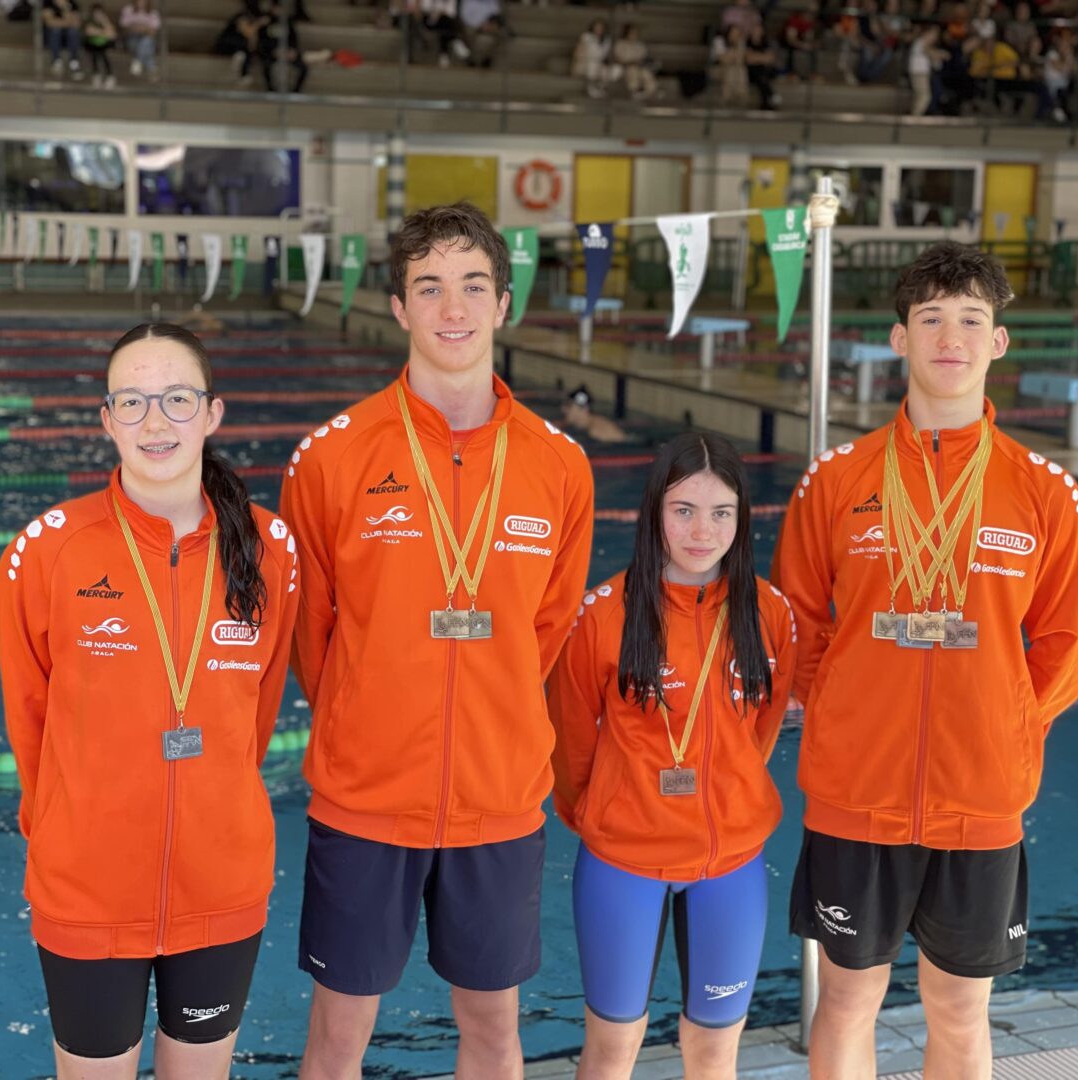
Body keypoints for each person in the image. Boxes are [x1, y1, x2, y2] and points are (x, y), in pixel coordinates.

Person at [277, 202, 595, 1080]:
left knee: (494, 1032)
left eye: (471, 286)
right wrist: (372, 712)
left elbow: (549, 629)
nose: (452, 308)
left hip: (498, 798)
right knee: (338, 1036)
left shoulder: (558, 463)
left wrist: (487, 716)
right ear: (399, 308)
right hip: (366, 797)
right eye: (429, 287)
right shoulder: (330, 458)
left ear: (502, 305)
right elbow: (314, 636)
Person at [773, 242, 1078, 1080]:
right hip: (856, 794)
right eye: (931, 319)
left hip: (980, 796)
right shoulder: (836, 482)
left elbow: (1064, 644)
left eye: (971, 320)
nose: (950, 336)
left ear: (998, 343)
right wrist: (843, 707)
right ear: (897, 339)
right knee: (846, 1003)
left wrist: (1006, 724)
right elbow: (796, 622)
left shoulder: (1043, 490)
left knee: (959, 1009)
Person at [0, 323, 301, 1079]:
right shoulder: (48, 551)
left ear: (213, 413)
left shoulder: (269, 551)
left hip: (222, 883)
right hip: (87, 889)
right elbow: (28, 720)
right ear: (105, 420)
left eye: (175, 399)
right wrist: (68, 830)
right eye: (131, 402)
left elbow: (253, 715)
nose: (154, 422)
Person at [548, 432, 798, 1079]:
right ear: (654, 510)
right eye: (684, 509)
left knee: (715, 1052)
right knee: (610, 1049)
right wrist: (614, 814)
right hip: (623, 864)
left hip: (731, 868)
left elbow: (760, 734)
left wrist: (730, 794)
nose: (702, 530)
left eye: (721, 512)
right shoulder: (603, 615)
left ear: (742, 519)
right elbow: (571, 746)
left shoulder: (770, 614)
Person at [561, 385, 628, 444]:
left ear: (583, 409)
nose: (563, 409)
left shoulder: (596, 432)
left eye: (568, 406)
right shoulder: (584, 426)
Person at [613, 23, 658, 100]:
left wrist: (641, 63)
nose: (634, 35)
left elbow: (644, 58)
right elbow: (618, 59)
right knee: (632, 71)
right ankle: (634, 91)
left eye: (635, 33)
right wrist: (631, 62)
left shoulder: (640, 45)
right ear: (626, 33)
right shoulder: (620, 44)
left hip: (640, 67)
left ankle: (650, 92)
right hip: (626, 67)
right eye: (632, 33)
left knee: (646, 73)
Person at [573, 19, 616, 98]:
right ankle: (591, 87)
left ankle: (600, 86)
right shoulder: (586, 37)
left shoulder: (607, 40)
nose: (598, 29)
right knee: (592, 67)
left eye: (600, 27)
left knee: (614, 70)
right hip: (587, 61)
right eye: (597, 27)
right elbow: (579, 52)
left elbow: (608, 55)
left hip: (600, 63)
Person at [119, 0, 161, 79]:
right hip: (131, 39)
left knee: (146, 41)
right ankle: (152, 68)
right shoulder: (128, 10)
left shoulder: (153, 13)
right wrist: (137, 28)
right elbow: (123, 28)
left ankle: (137, 61)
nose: (140, 3)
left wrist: (142, 28)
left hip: (147, 39)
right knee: (146, 47)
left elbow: (153, 32)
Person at [42, 0, 84, 76]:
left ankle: (74, 60)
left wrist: (65, 8)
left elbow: (76, 24)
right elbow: (49, 23)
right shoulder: (48, 3)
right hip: (53, 36)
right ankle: (56, 59)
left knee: (73, 32)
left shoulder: (72, 4)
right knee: (56, 31)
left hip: (68, 36)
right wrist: (68, 22)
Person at [83, 4, 118, 89]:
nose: (98, 15)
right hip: (92, 45)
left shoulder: (106, 22)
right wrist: (104, 32)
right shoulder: (89, 21)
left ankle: (110, 76)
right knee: (95, 55)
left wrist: (104, 23)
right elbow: (89, 32)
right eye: (96, 13)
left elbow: (113, 35)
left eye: (100, 13)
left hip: (104, 46)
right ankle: (96, 75)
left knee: (105, 55)